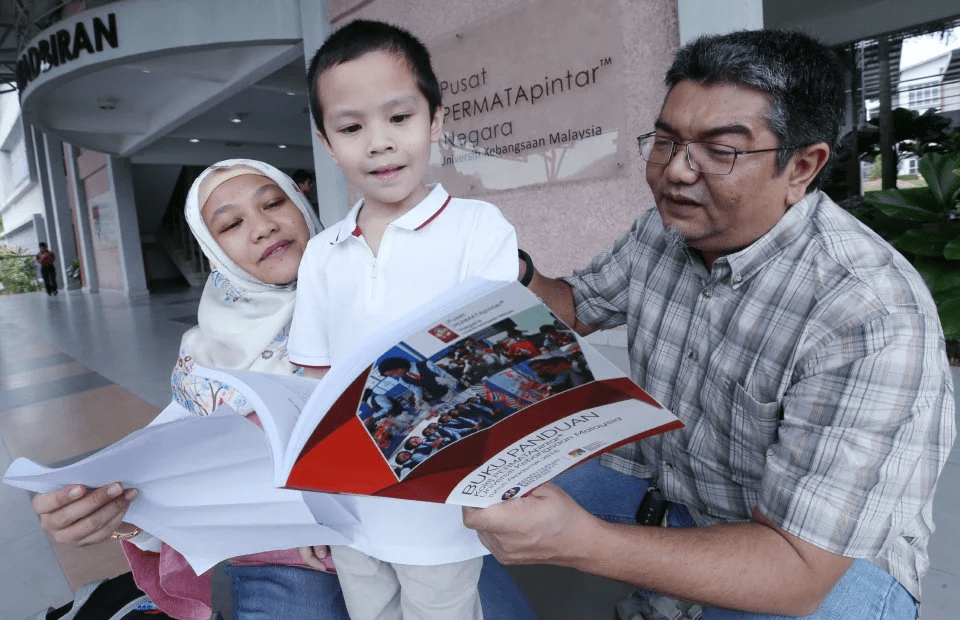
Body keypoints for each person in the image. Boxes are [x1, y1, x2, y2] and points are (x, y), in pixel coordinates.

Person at [464, 29, 955, 620]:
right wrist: (511, 268)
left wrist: (581, 542)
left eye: (720, 150)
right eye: (666, 142)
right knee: (466, 499)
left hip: (823, 561)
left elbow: (799, 571)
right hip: (676, 493)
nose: (676, 172)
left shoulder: (868, 312)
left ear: (802, 165)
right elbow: (574, 307)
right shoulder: (667, 230)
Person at [289, 19, 519, 620]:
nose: (379, 142)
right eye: (351, 127)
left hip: (442, 507)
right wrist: (315, 501)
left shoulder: (478, 229)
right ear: (326, 141)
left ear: (435, 119)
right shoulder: (322, 253)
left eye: (399, 117)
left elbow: (495, 369)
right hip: (353, 509)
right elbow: (312, 384)